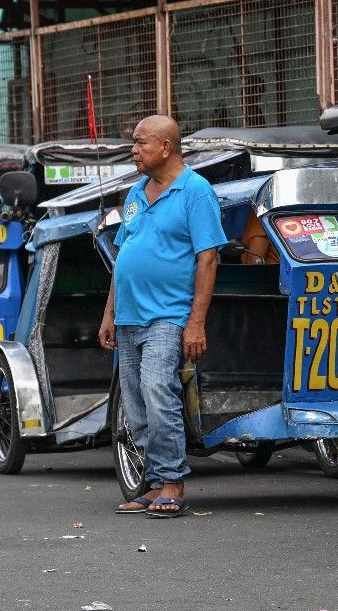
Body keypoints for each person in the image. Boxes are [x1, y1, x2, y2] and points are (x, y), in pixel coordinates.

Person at [98, 115, 226, 519]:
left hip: (168, 316)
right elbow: (123, 257)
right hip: (128, 317)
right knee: (135, 404)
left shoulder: (196, 191)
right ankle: (154, 484)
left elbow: (208, 258)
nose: (133, 150)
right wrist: (109, 313)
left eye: (141, 143)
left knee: (157, 390)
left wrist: (196, 322)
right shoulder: (137, 191)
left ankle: (172, 482)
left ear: (166, 147)